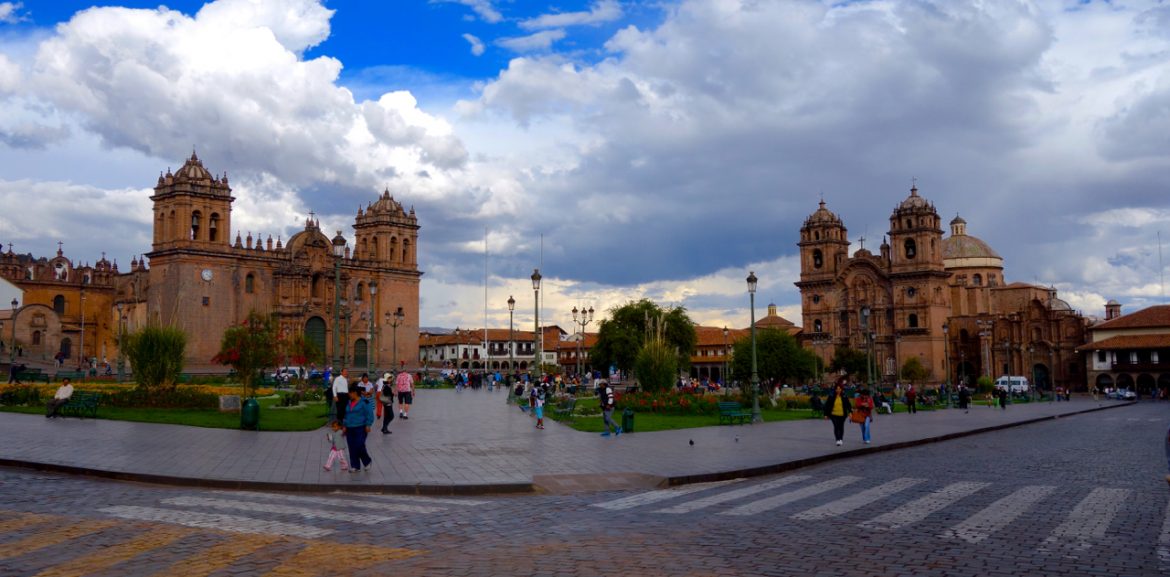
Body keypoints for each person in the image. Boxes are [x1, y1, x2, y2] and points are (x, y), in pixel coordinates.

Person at [341, 386, 375, 472]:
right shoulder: (348, 402)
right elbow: (346, 415)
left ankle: (367, 461)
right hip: (349, 428)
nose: (349, 395)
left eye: (350, 393)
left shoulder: (364, 402)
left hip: (361, 427)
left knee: (359, 445)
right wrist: (344, 425)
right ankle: (355, 466)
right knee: (351, 447)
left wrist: (368, 424)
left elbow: (369, 414)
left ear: (355, 393)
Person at [825, 382, 852, 447]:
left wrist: (850, 412)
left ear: (841, 389)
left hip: (842, 415)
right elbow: (827, 405)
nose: (838, 390)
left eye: (839, 389)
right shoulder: (831, 396)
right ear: (835, 389)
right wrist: (826, 414)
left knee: (841, 427)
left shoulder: (844, 396)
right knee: (836, 426)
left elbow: (848, 405)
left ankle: (841, 439)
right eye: (837, 389)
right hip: (833, 414)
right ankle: (837, 439)